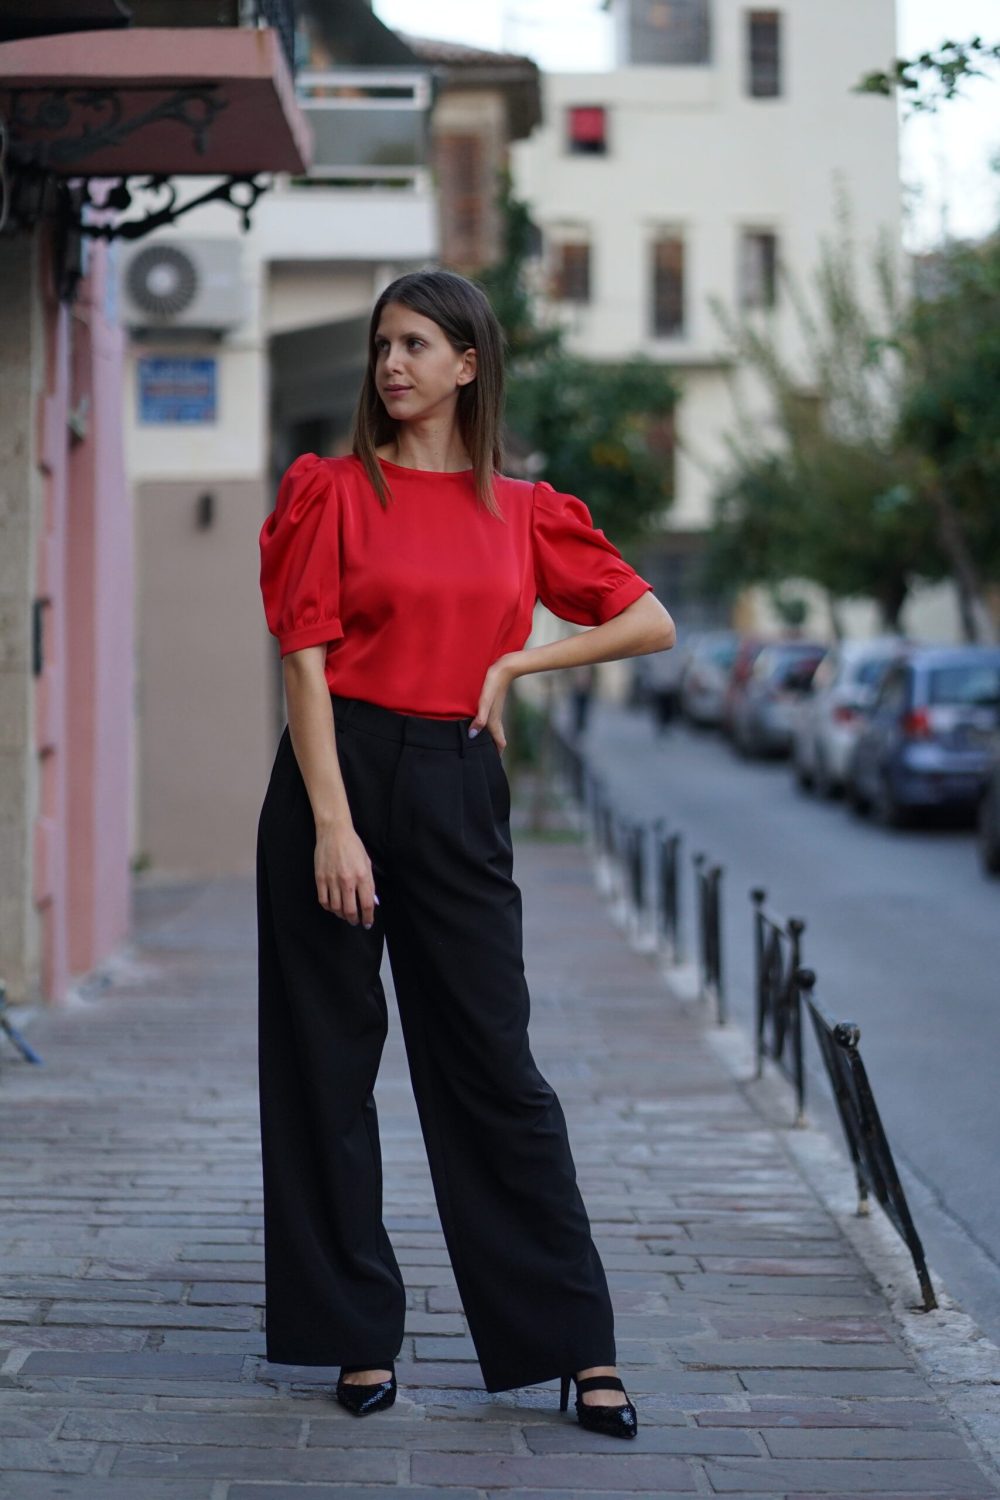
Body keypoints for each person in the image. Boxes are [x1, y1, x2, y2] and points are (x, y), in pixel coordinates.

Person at [256, 269, 676, 1439]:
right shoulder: (328, 490)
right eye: (382, 345)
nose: (392, 364)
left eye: (417, 345)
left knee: (494, 1063)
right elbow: (303, 656)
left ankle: (573, 1345)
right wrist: (333, 824)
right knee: (325, 1068)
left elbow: (647, 616)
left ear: (467, 366)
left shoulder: (526, 508)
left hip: (455, 778)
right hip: (334, 776)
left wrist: (514, 666)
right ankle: (352, 1334)